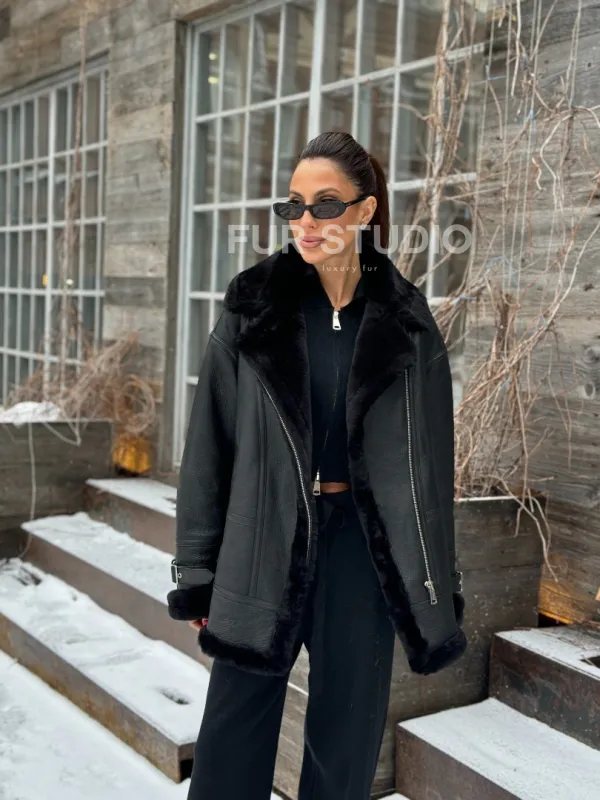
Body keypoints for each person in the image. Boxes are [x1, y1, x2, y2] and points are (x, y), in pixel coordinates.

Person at [167, 131, 466, 800]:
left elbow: (429, 471)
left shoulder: (408, 324)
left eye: (326, 204)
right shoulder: (252, 308)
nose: (305, 221)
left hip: (361, 557)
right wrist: (198, 570)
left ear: (366, 210)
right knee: (229, 750)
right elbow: (209, 447)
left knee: (345, 751)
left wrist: (435, 581)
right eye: (293, 204)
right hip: (260, 543)